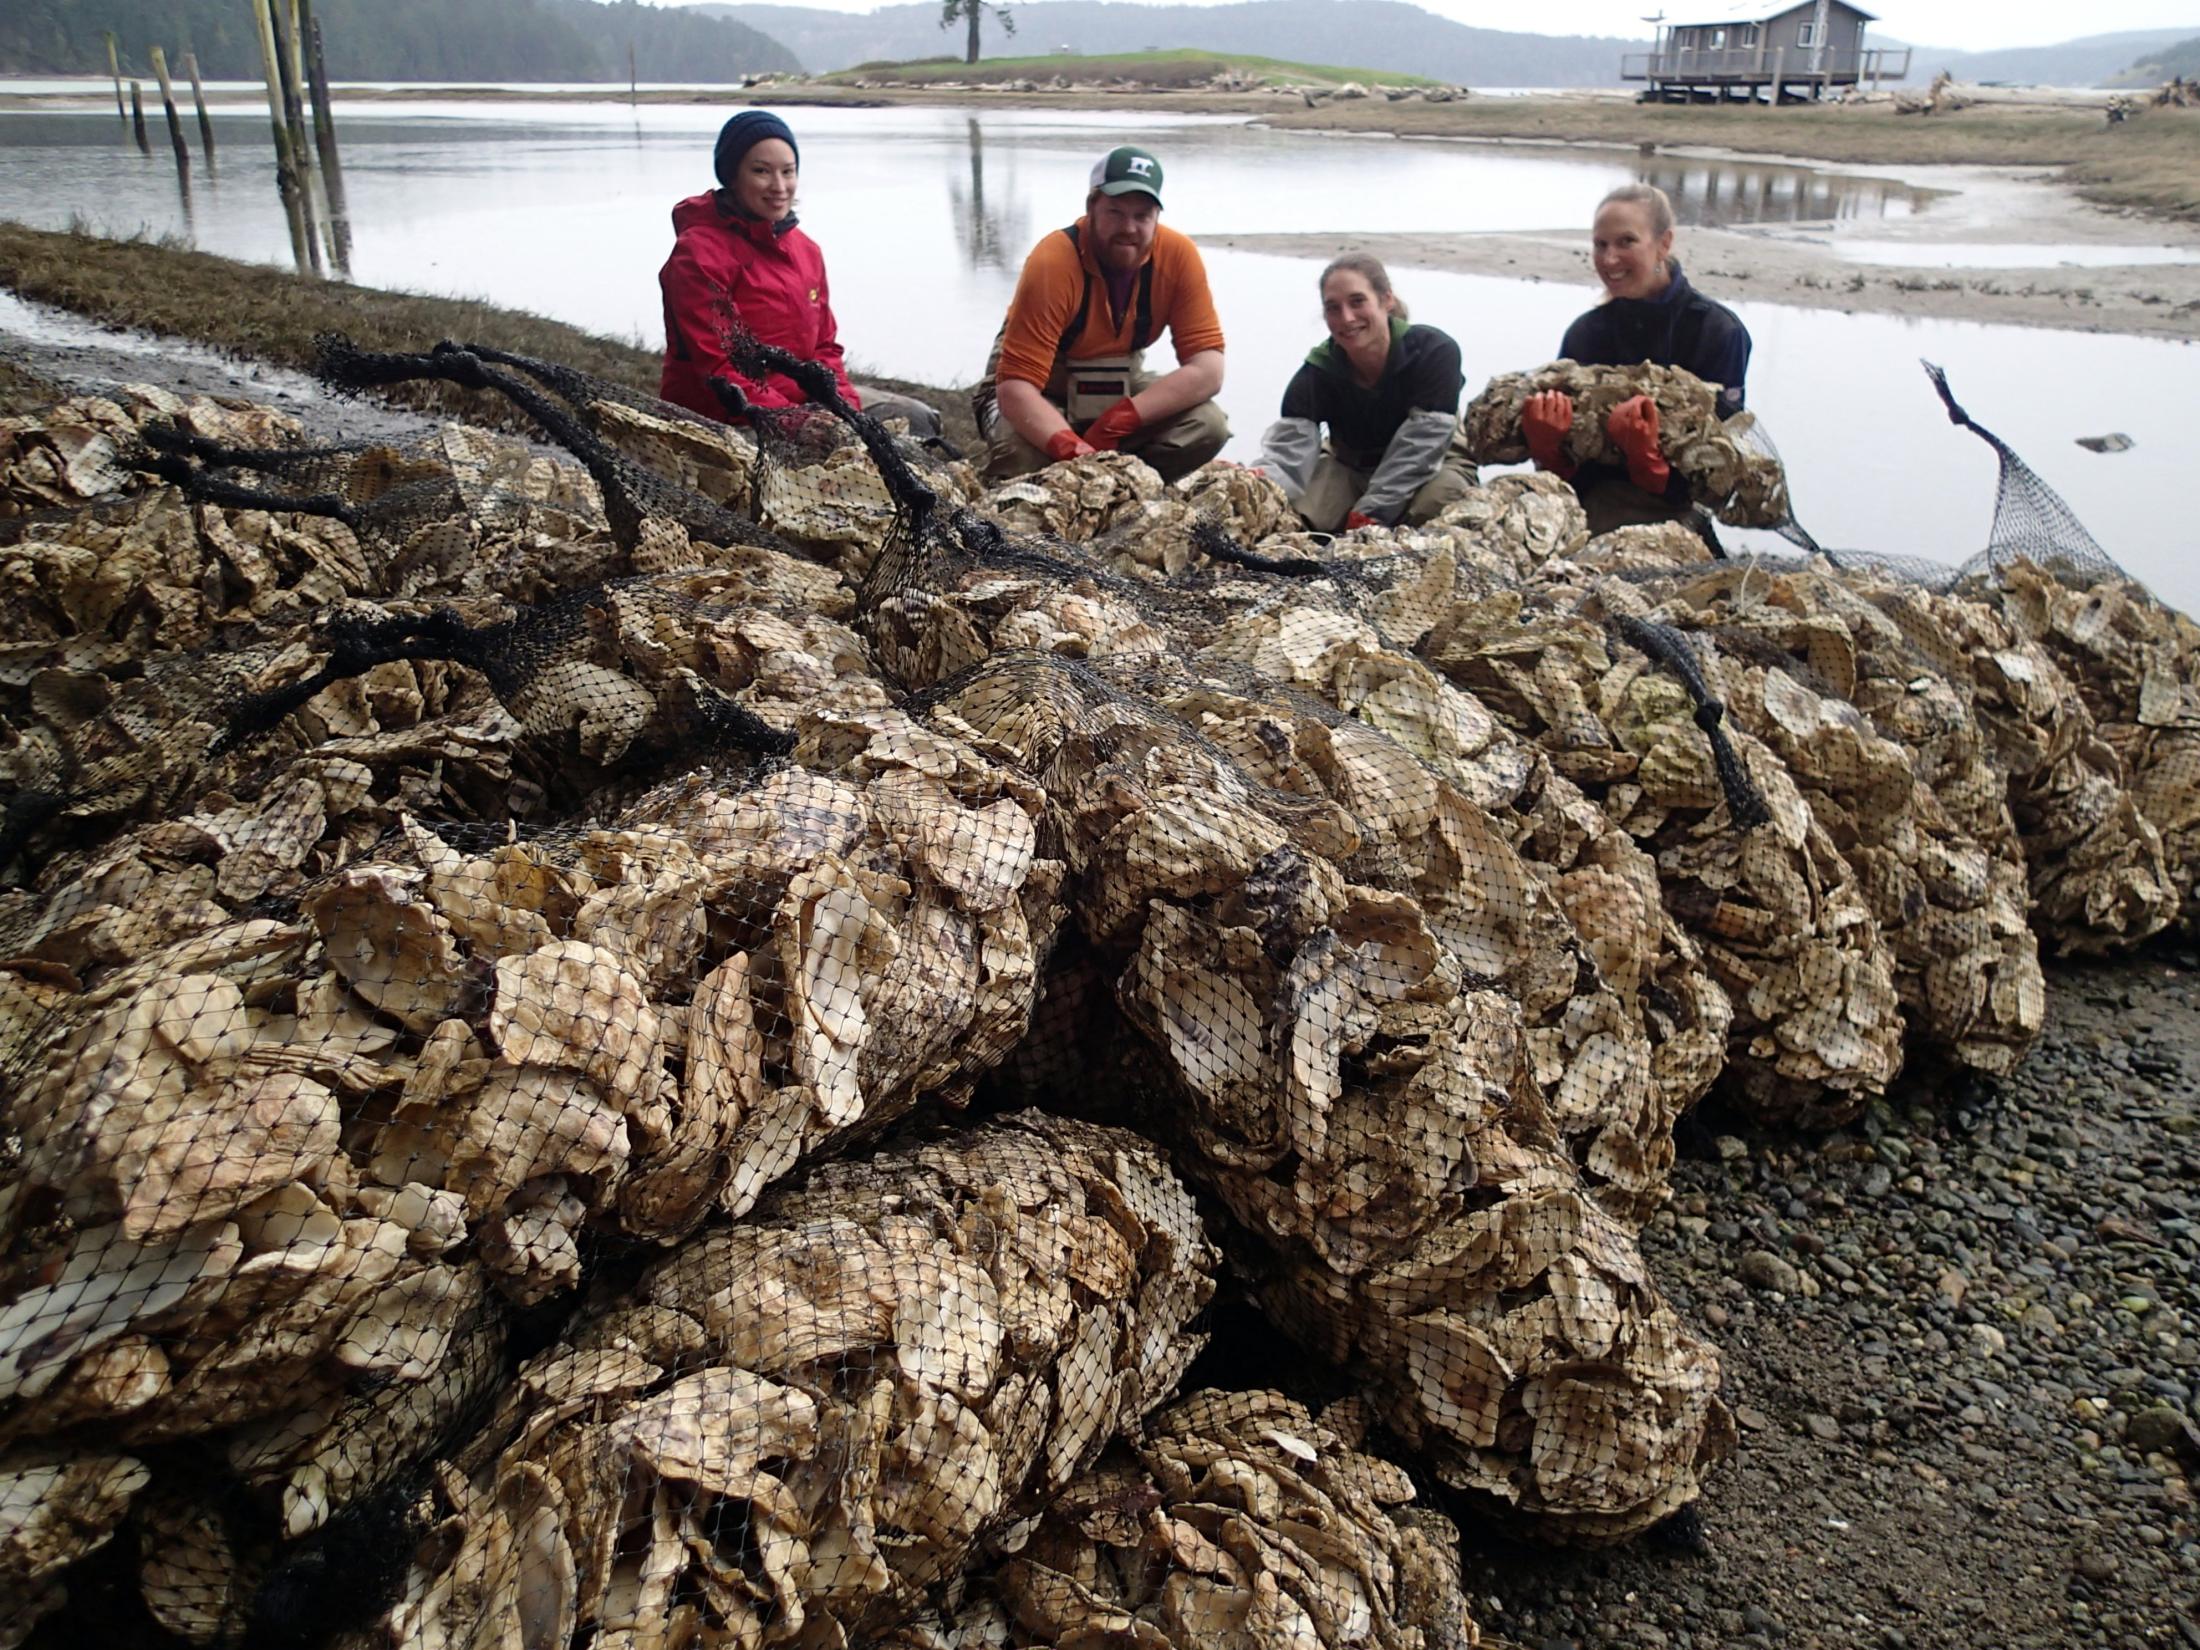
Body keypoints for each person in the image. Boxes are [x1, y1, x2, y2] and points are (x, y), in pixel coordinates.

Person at [659, 110, 941, 437]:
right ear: (732, 176)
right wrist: (794, 422)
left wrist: (843, 406)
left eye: (788, 172)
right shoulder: (698, 255)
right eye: (761, 171)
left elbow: (825, 349)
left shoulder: (807, 252)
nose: (779, 186)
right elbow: (721, 369)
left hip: (805, 403)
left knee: (918, 418)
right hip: (725, 415)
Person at [978, 145, 1228, 484]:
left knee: (1208, 426)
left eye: (1142, 216)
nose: (1129, 227)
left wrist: (1124, 419)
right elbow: (1016, 390)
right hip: (1037, 390)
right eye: (1115, 212)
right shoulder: (1052, 261)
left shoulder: (1179, 256)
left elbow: (1208, 370)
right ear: (1091, 207)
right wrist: (1075, 453)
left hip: (1117, 384)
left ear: (1156, 217)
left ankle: (1128, 489)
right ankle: (1077, 482)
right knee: (1023, 455)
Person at [1523, 182, 1751, 536]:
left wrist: (1648, 460)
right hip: (1584, 504)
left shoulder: (1717, 331)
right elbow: (1566, 476)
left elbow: (1718, 480)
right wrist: (1547, 447)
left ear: (1664, 243)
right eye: (1600, 245)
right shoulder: (1585, 333)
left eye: (1626, 241)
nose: (1609, 258)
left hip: (1672, 511)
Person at [1254, 254, 1476, 533]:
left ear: (1386, 300)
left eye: (1357, 301)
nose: (1346, 318)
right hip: (1349, 465)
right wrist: (1256, 481)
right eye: (1333, 308)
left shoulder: (1434, 351)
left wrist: (1371, 512)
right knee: (1298, 521)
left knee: (1432, 510)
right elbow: (1286, 461)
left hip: (1436, 461)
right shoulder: (1317, 372)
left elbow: (1422, 445)